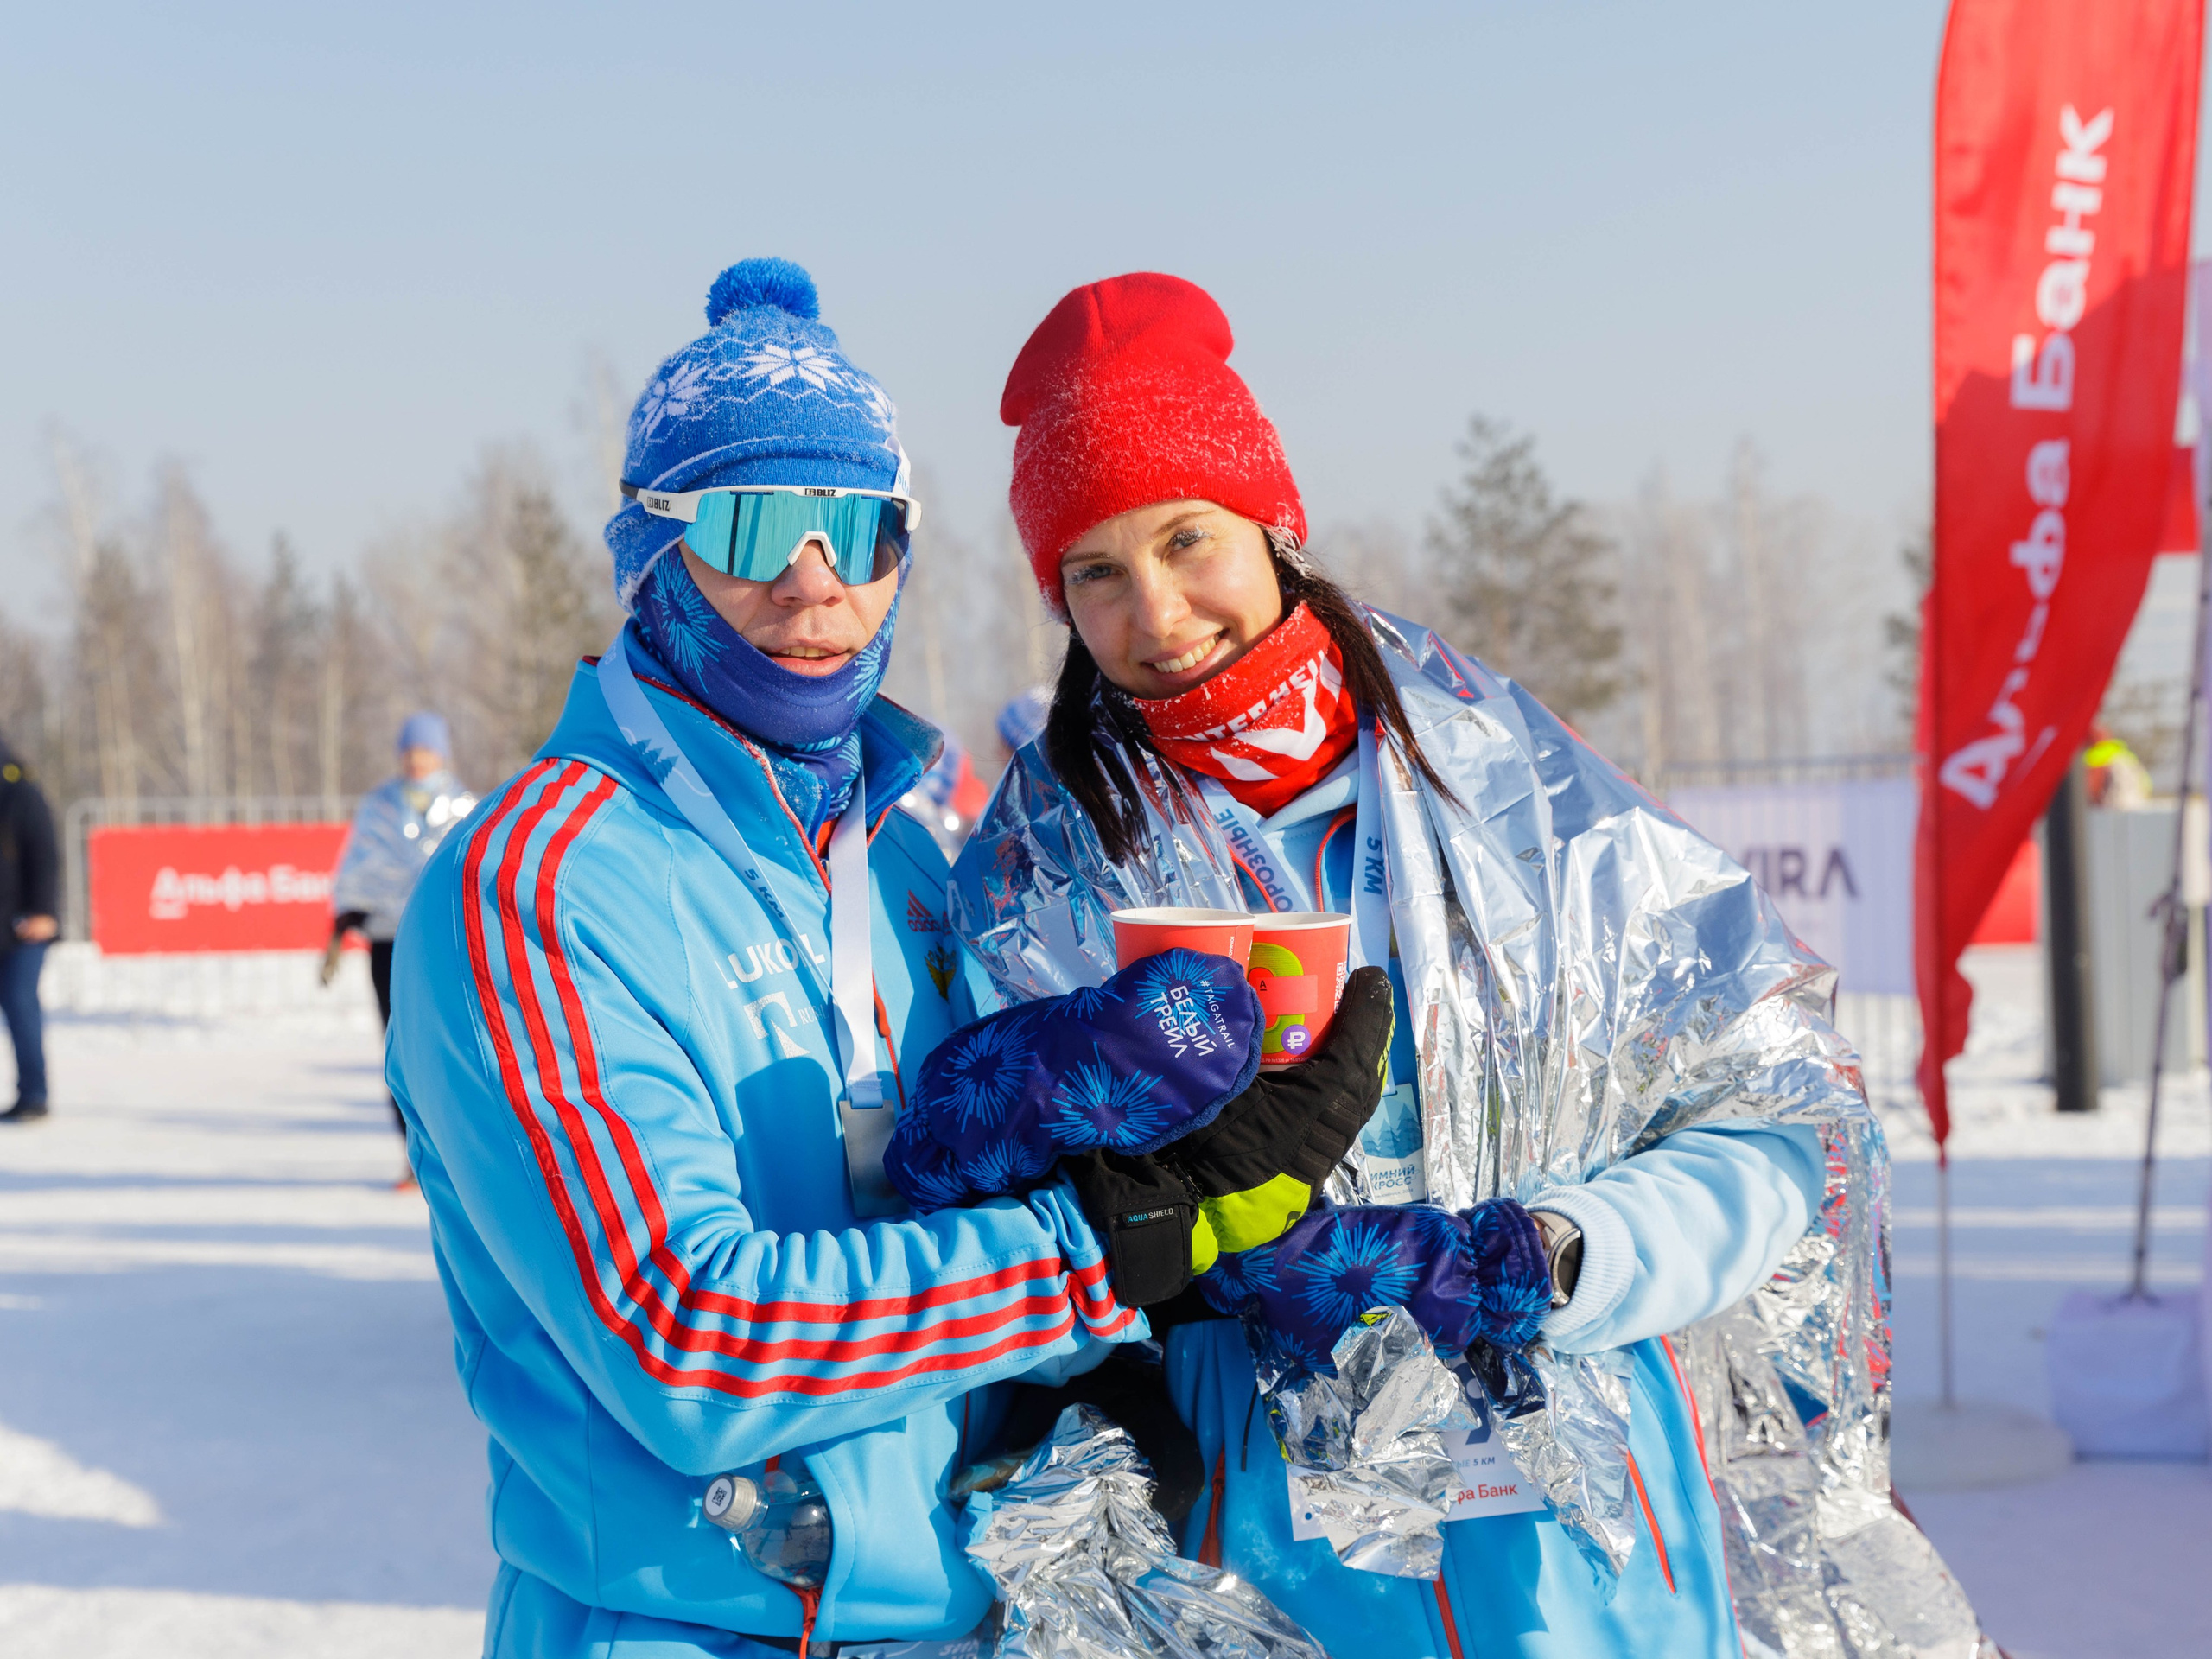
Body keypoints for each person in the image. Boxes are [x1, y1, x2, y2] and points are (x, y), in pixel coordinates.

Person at [948, 275, 1954, 1656]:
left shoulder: (1524, 800)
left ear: (1274, 527)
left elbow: (1779, 1132)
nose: (1158, 611)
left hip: (1586, 1532)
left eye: (1190, 541)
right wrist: (1167, 1241)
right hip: (1268, 1544)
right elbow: (999, 1271)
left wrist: (1540, 1259)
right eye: (1096, 573)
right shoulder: (1029, 875)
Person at [383, 260, 1162, 1657]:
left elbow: (1016, 1233)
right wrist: (1085, 1256)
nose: (816, 586)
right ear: (653, 553)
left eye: (858, 532)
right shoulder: (541, 881)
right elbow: (686, 1342)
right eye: (755, 526)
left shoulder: (910, 866)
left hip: (965, 1622)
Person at [325, 711, 475, 1175]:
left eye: (425, 750)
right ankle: (415, 1156)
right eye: (409, 751)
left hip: (445, 942)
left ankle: (460, 1154)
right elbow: (359, 867)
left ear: (442, 754)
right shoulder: (378, 807)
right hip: (388, 941)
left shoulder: (468, 807)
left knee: (449, 1046)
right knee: (399, 1048)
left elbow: (476, 870)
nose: (416, 760)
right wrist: (342, 922)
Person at [0, 731, 59, 1125]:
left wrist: (43, 911)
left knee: (20, 1005)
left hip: (24, 928)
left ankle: (34, 1095)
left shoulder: (21, 794)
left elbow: (45, 855)